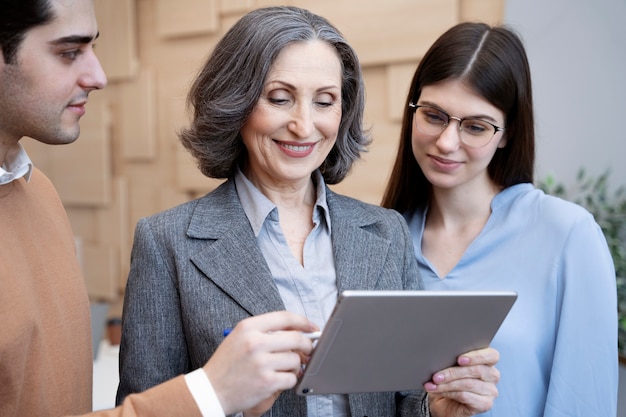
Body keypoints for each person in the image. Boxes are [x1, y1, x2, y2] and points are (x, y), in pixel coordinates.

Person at [116, 6, 501, 417]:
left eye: (324, 101)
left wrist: (436, 409)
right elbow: (146, 409)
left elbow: (406, 398)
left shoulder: (386, 233)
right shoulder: (166, 242)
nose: (303, 125)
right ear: (236, 102)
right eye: (280, 99)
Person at [0, 1, 323, 416]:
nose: (99, 76)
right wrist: (211, 393)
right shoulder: (165, 239)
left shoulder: (38, 194)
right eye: (68, 52)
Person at [382, 21, 618, 416]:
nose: (446, 142)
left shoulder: (567, 236)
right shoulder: (382, 239)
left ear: (507, 133)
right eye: (434, 115)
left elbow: (585, 403)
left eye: (476, 126)